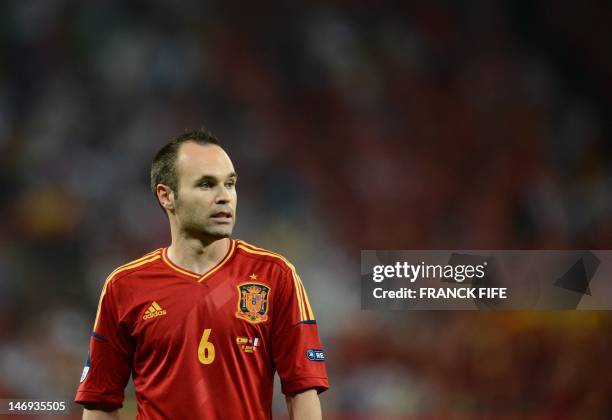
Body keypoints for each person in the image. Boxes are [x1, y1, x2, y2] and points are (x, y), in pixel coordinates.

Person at [75, 129, 328, 419]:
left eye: (230, 184)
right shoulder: (125, 286)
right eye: (206, 185)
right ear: (166, 196)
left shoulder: (274, 275)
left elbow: (302, 390)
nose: (224, 197)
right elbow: (100, 403)